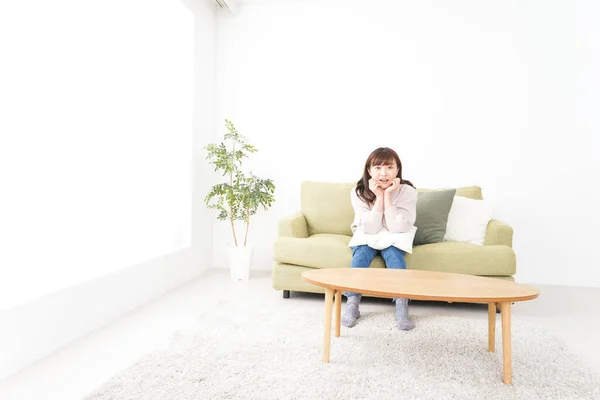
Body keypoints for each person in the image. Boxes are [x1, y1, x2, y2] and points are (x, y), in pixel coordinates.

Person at [342, 147, 418, 331]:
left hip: (395, 235)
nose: (383, 173)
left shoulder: (408, 191)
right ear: (369, 170)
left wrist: (389, 197)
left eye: (389, 167)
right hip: (368, 234)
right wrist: (378, 198)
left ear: (397, 170)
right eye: (377, 168)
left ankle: (401, 305)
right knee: (360, 255)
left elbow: (397, 227)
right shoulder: (359, 191)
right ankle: (352, 304)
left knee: (394, 256)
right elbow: (370, 228)